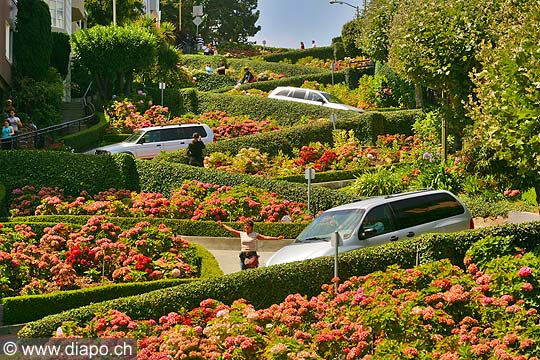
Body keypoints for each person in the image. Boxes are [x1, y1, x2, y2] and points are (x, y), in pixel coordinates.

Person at [217, 219, 284, 270]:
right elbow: (231, 230)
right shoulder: (242, 234)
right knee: (243, 271)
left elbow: (265, 237)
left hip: (252, 255)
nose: (246, 227)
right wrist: (222, 225)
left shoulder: (255, 234)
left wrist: (277, 238)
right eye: (245, 225)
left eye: (248, 225)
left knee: (252, 271)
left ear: (251, 227)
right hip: (243, 255)